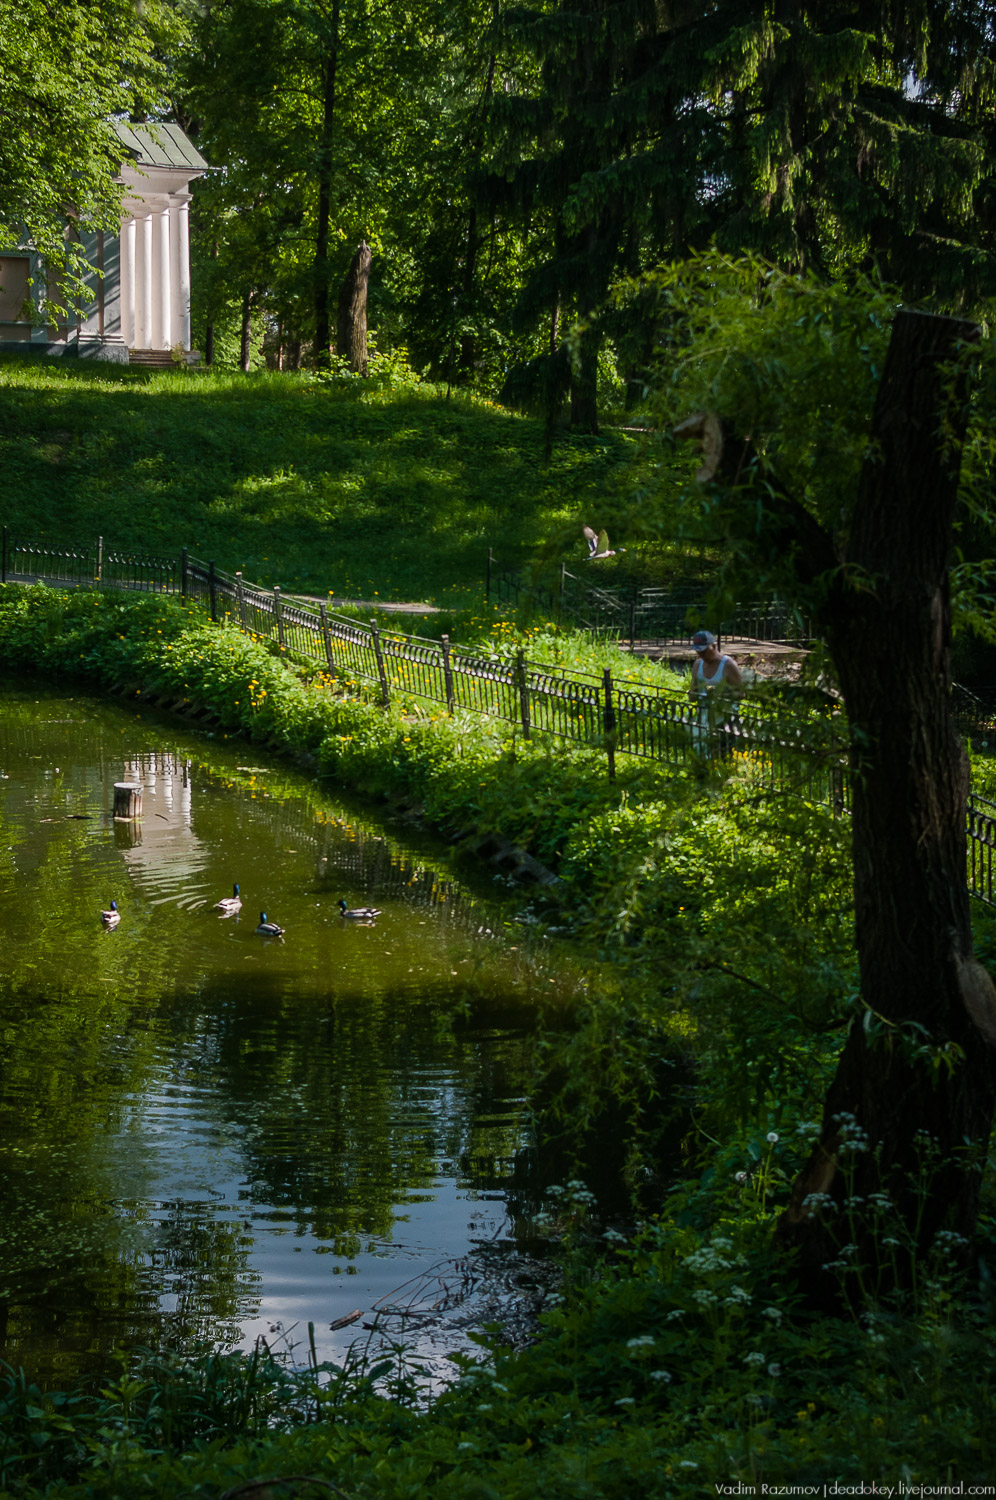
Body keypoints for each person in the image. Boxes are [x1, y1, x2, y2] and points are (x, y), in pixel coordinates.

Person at [688, 630, 743, 753]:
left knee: (722, 755)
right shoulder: (698, 664)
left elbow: (741, 693)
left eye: (704, 651)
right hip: (703, 718)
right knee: (701, 754)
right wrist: (693, 694)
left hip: (725, 720)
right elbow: (694, 690)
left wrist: (721, 695)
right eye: (698, 652)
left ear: (713, 646)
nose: (701, 655)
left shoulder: (728, 665)